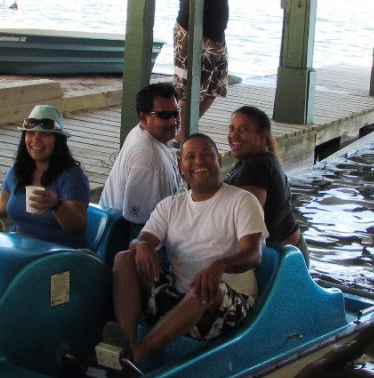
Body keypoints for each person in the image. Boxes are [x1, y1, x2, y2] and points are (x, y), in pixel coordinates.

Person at [99, 133, 267, 368]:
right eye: (190, 156)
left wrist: (219, 266)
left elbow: (254, 254)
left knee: (205, 288)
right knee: (124, 258)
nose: (199, 162)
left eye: (207, 154)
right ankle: (126, 342)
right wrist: (143, 245)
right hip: (179, 297)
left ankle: (137, 354)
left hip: (228, 303)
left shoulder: (242, 200)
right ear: (181, 168)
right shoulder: (171, 205)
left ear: (219, 161)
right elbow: (140, 241)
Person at [0, 104, 90, 249]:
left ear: (58, 141)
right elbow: (3, 202)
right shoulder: (18, 170)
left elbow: (76, 226)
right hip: (20, 246)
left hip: (58, 254)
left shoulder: (72, 176)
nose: (36, 139)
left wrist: (56, 204)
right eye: (31, 133)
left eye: (44, 134)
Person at [225, 105, 310, 266]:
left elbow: (245, 216)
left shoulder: (257, 166)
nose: (233, 135)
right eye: (232, 128)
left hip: (283, 260)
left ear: (262, 135)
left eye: (243, 129)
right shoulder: (253, 160)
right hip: (287, 251)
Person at [99, 83, 182, 229]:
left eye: (176, 113)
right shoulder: (148, 158)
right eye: (164, 115)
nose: (173, 121)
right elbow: (138, 227)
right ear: (144, 118)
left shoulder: (148, 134)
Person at [173, 0, 229, 143]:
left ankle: (184, 129)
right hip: (192, 31)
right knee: (187, 91)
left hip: (217, 35)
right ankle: (180, 133)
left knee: (215, 88)